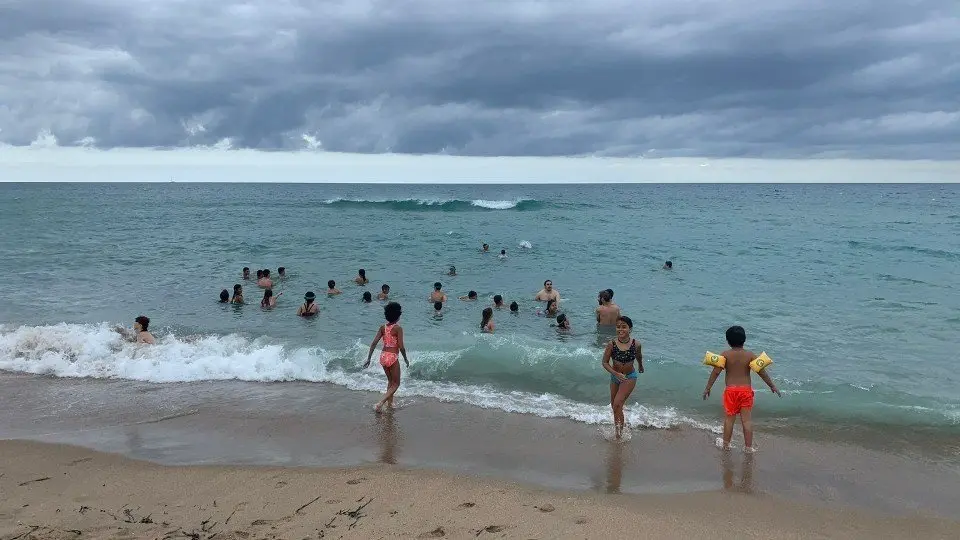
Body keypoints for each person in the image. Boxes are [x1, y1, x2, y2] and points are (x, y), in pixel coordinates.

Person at [702, 326, 781, 452]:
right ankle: (748, 448)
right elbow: (762, 372)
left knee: (729, 420)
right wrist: (772, 385)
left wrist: (708, 388)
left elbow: (716, 372)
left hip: (731, 391)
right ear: (744, 340)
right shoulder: (750, 355)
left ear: (728, 341)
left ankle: (726, 445)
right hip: (745, 391)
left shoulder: (725, 355)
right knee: (747, 421)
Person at [601, 316, 643, 439]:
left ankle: (620, 435)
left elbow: (639, 356)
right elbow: (604, 362)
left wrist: (640, 365)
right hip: (615, 377)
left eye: (624, 327)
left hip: (629, 377)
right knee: (614, 406)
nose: (620, 329)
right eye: (618, 326)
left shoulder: (636, 344)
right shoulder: (611, 344)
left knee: (618, 403)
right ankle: (617, 431)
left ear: (630, 329)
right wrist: (615, 373)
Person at [363, 302, 410, 412]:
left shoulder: (382, 327)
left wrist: (369, 358)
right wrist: (406, 359)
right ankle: (381, 402)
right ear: (398, 315)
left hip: (383, 356)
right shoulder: (398, 328)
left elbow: (374, 343)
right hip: (392, 356)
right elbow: (401, 347)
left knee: (390, 382)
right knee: (396, 384)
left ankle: (390, 404)